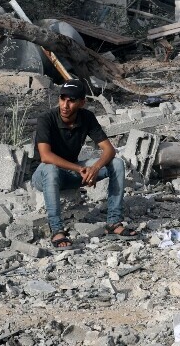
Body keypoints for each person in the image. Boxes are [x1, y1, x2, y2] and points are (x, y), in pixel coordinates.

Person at [32, 78, 138, 250]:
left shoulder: (86, 117)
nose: (65, 105)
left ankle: (113, 222)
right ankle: (57, 229)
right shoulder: (47, 119)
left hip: (71, 173)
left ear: (82, 102)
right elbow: (45, 156)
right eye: (62, 99)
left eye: (71, 100)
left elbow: (109, 150)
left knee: (117, 164)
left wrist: (95, 169)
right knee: (51, 169)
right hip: (43, 175)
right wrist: (80, 168)